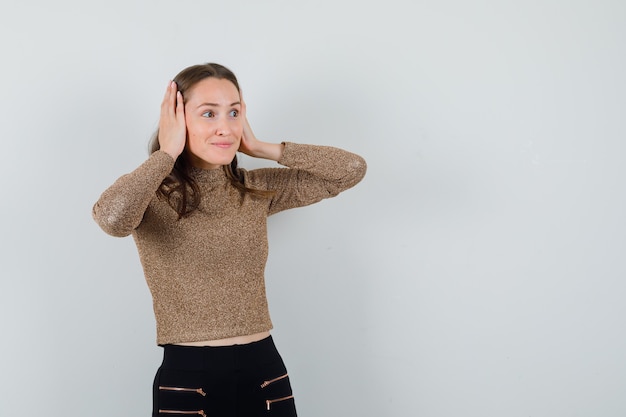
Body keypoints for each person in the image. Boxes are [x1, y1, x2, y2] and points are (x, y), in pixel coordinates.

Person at [92, 62, 366, 417]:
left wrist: (261, 146)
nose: (225, 127)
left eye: (233, 112)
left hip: (264, 371)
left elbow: (350, 170)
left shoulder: (253, 188)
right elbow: (112, 220)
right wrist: (166, 154)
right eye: (208, 113)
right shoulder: (152, 194)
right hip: (189, 378)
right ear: (176, 119)